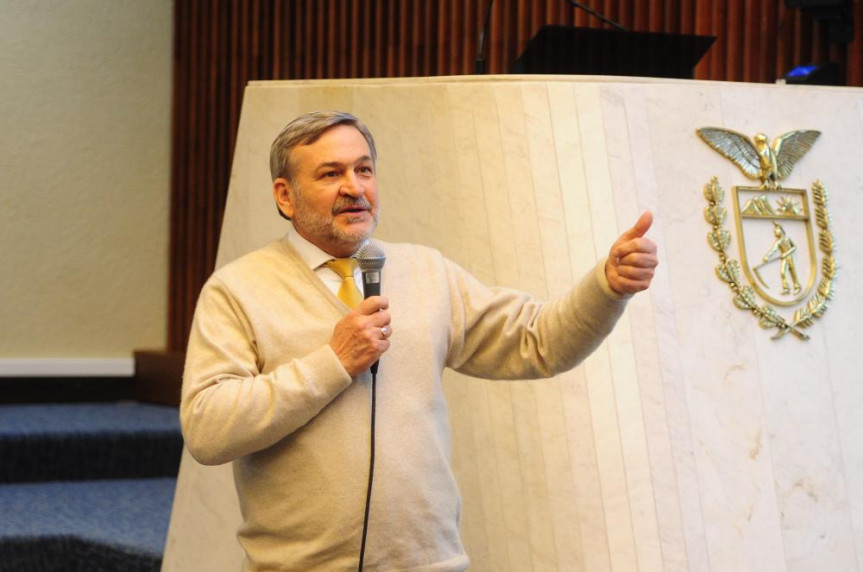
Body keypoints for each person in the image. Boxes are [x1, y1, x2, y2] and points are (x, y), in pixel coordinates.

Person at [180, 111, 658, 571]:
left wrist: (606, 287)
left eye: (363, 169)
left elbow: (539, 341)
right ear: (285, 196)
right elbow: (208, 427)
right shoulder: (238, 289)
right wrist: (332, 363)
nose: (354, 187)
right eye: (330, 174)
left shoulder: (427, 272)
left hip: (428, 563)